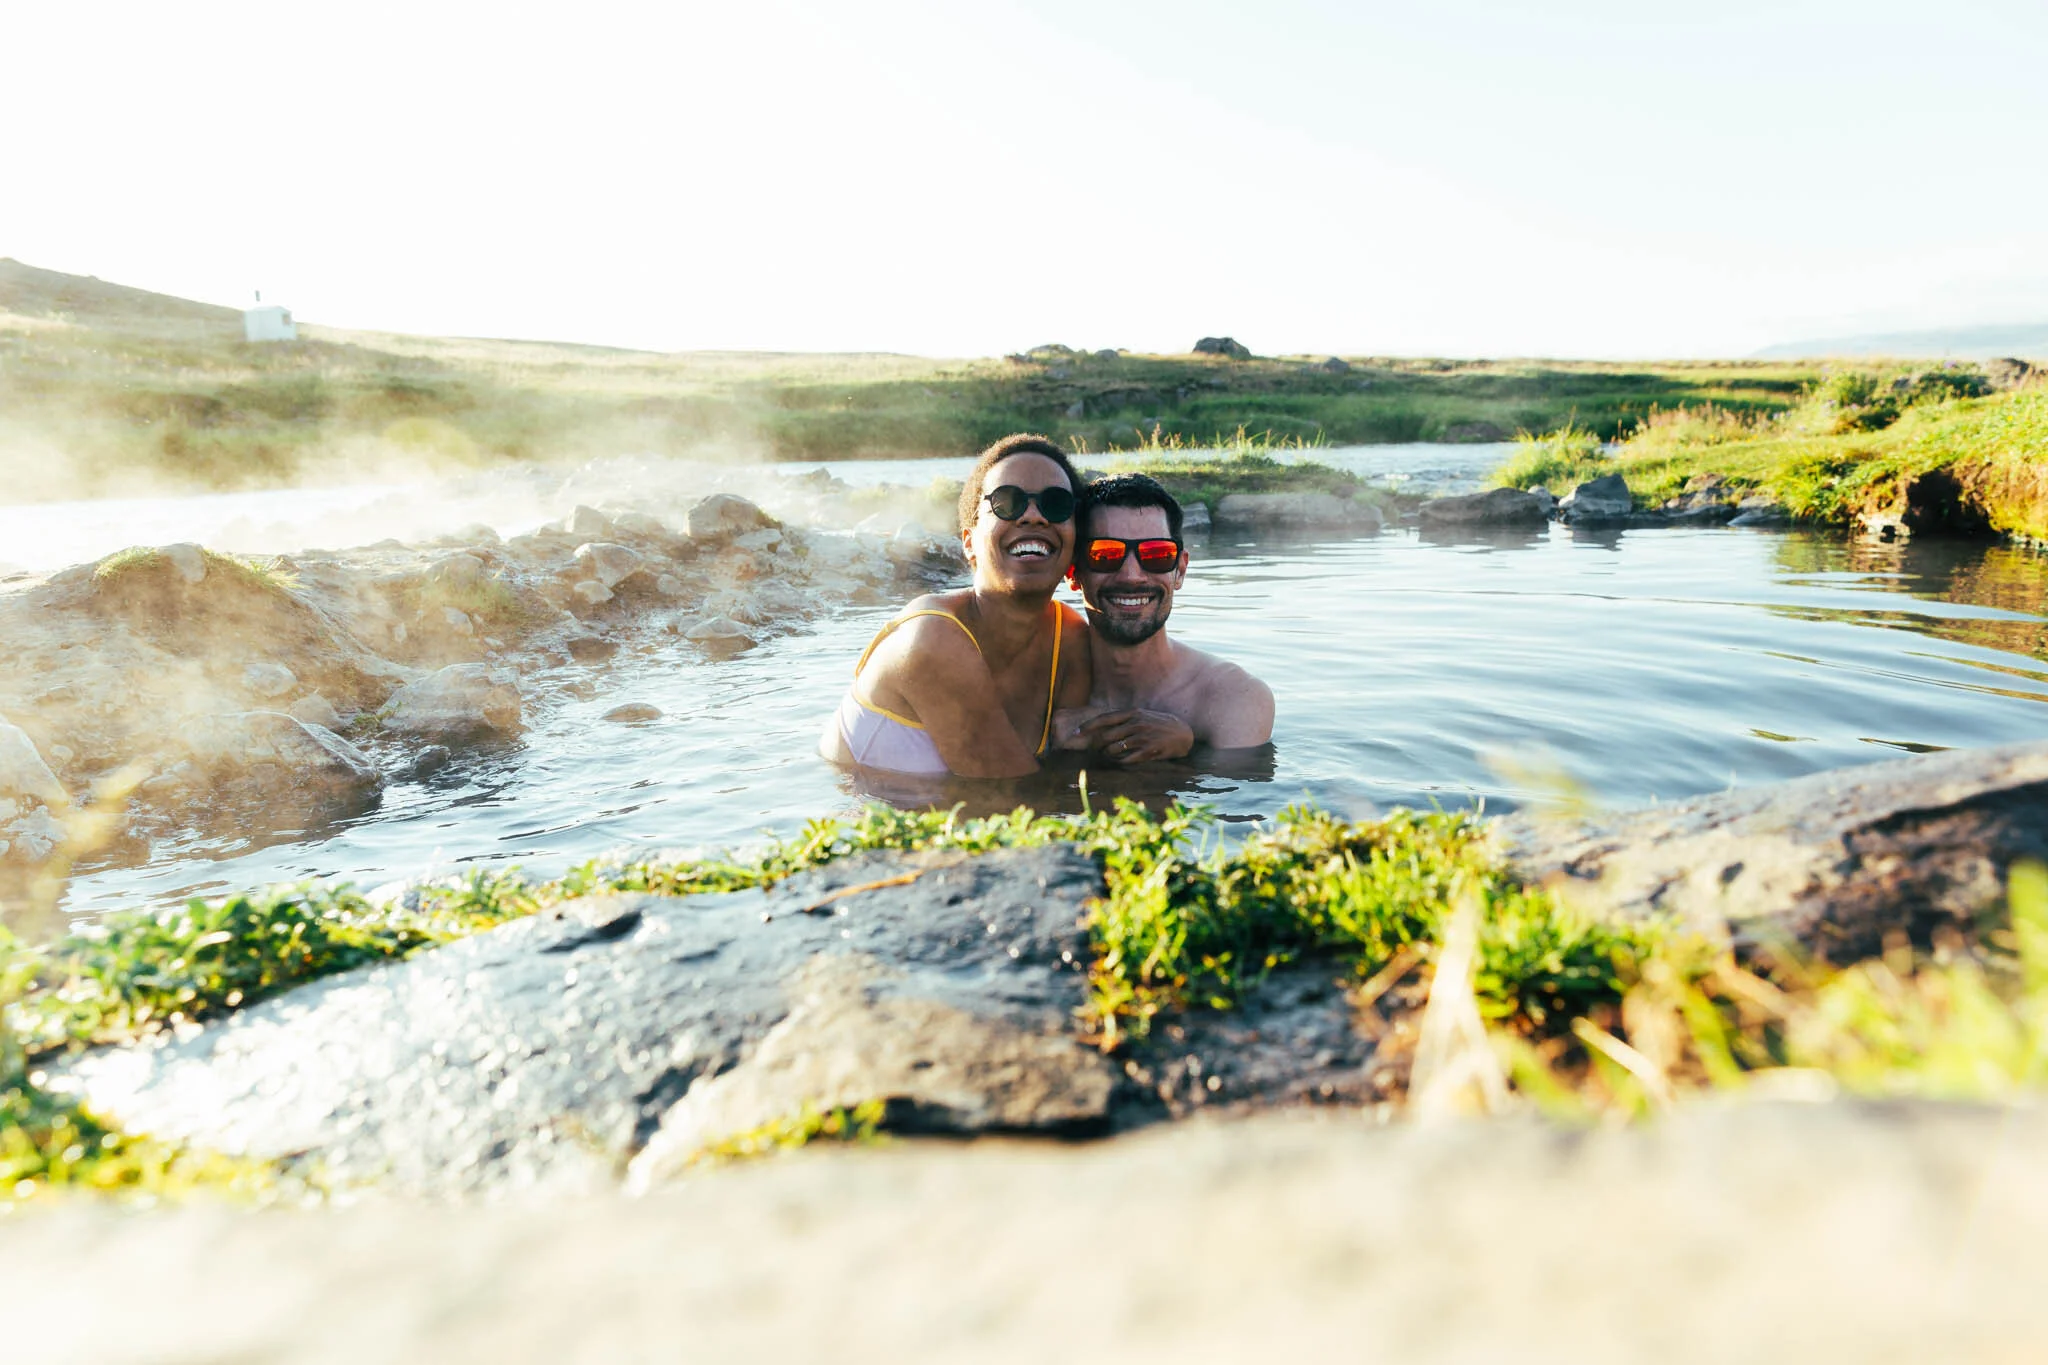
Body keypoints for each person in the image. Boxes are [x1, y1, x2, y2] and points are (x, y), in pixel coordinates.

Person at [822, 433, 1093, 777]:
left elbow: (1070, 774)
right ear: (968, 543)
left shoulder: (1070, 642)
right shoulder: (931, 638)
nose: (1033, 516)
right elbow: (1012, 792)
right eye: (1007, 502)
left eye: (1056, 504)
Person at [1055, 472, 1274, 763]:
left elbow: (1238, 789)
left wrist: (1186, 749)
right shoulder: (1044, 687)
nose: (1132, 576)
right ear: (1073, 572)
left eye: (1156, 554)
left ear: (1180, 571)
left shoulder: (1232, 698)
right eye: (1106, 554)